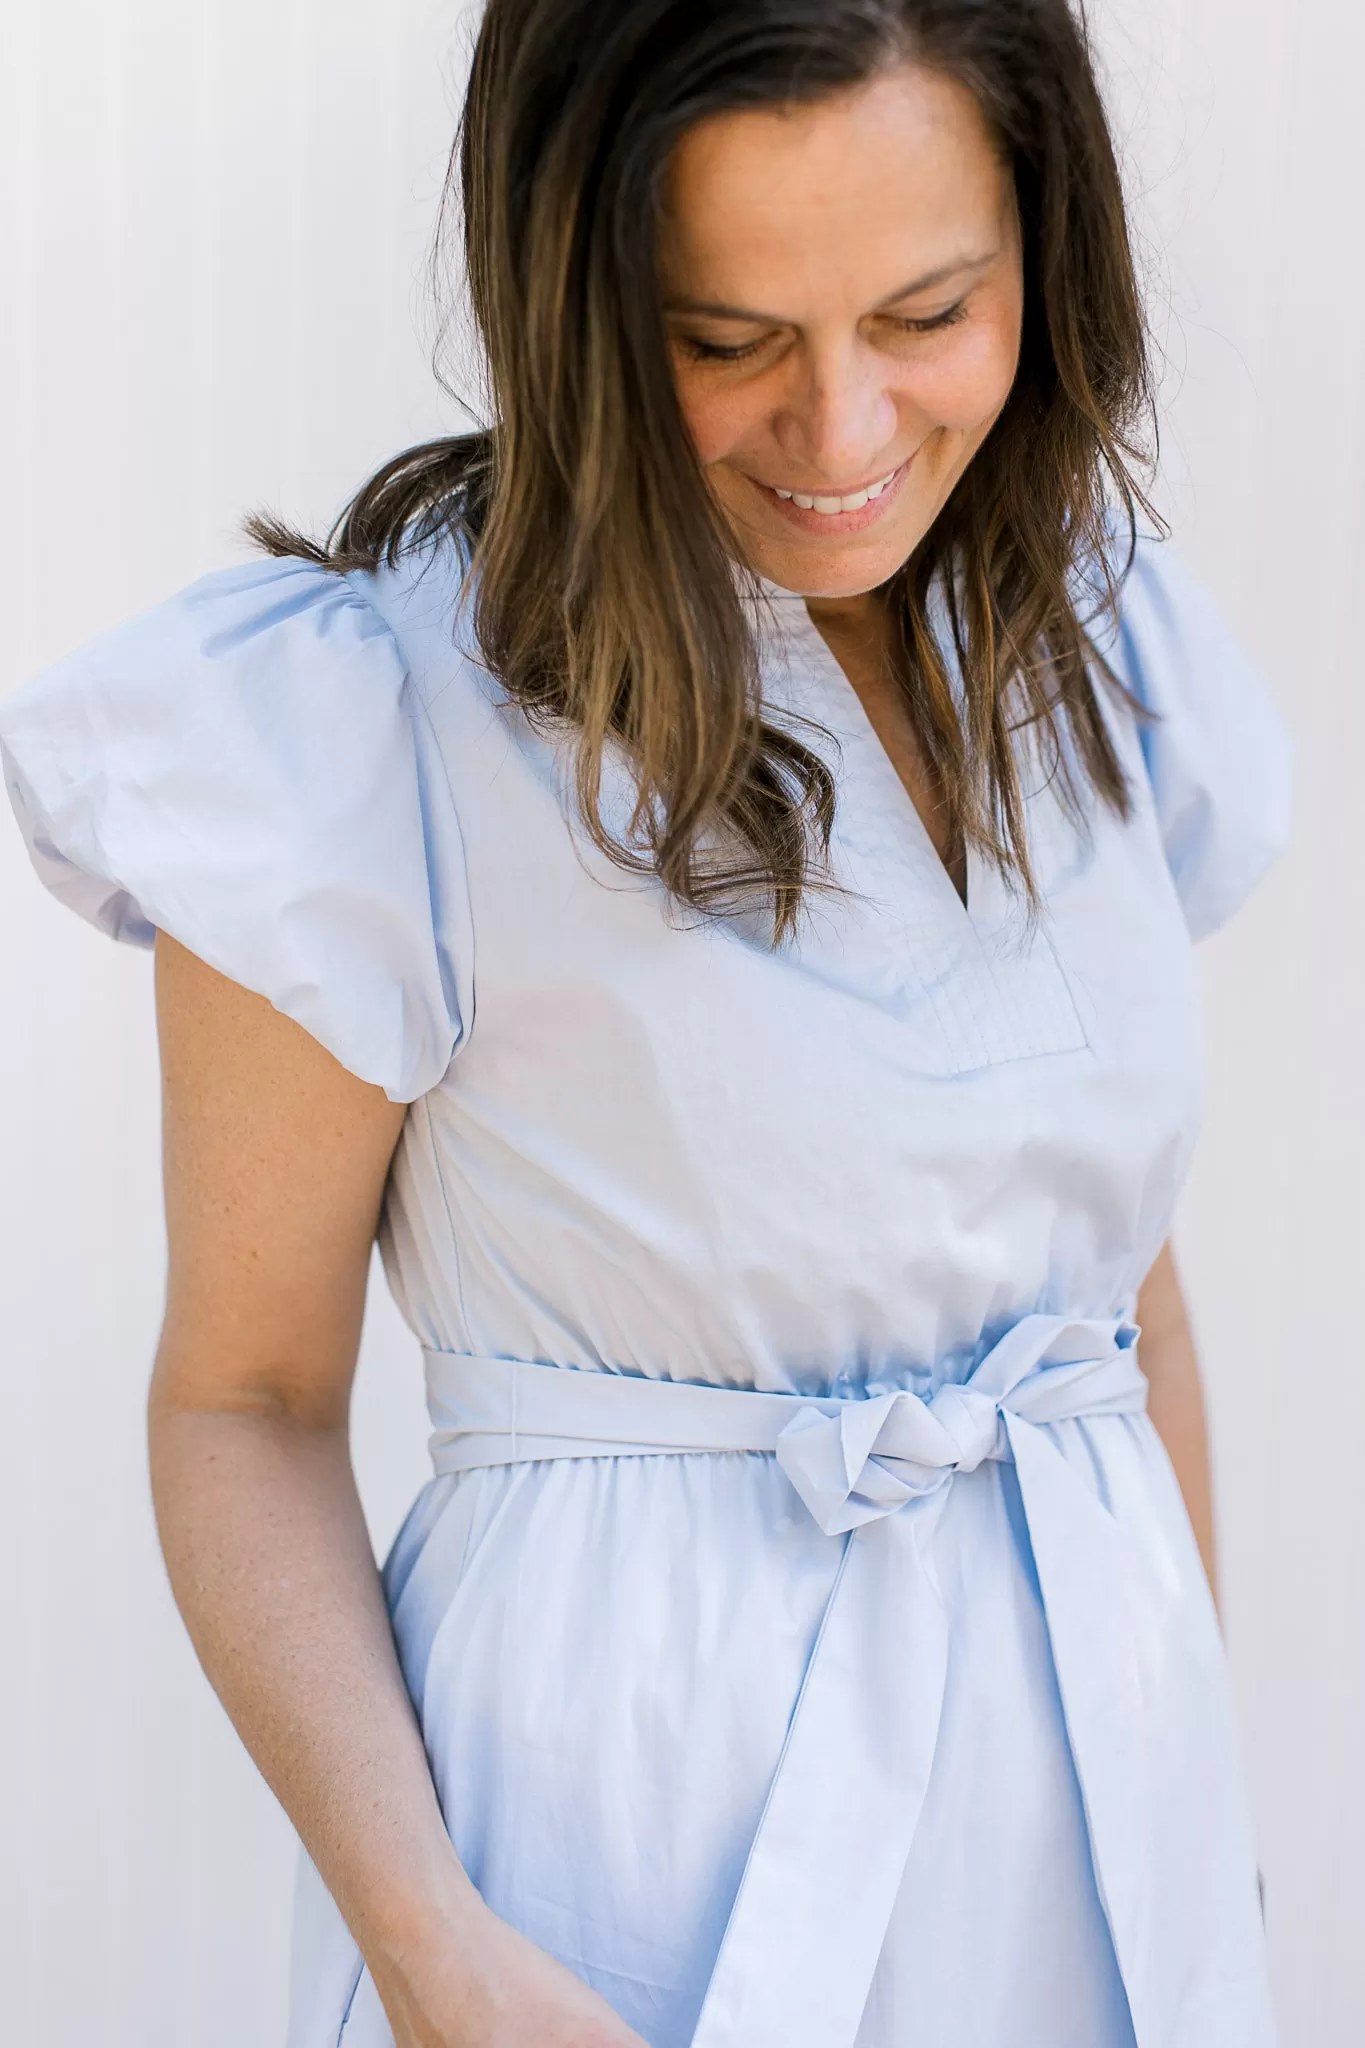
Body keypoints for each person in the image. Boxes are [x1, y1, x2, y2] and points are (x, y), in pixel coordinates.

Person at [0, 2, 1290, 2044]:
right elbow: (239, 1397)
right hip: (614, 1881)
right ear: (578, 295)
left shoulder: (1086, 640)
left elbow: (1118, 1316)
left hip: (1094, 1864)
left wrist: (1198, 1819)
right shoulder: (370, 727)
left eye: (928, 311)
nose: (846, 433)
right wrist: (439, 1959)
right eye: (727, 342)